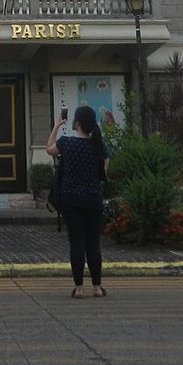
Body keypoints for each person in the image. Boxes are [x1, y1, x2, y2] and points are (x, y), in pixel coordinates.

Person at [46, 104, 108, 298]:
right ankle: (97, 287)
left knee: (77, 242)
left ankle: (79, 288)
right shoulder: (99, 146)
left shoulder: (66, 143)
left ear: (77, 123)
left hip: (71, 199)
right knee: (93, 242)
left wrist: (57, 125)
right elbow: (104, 174)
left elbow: (49, 149)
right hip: (93, 199)